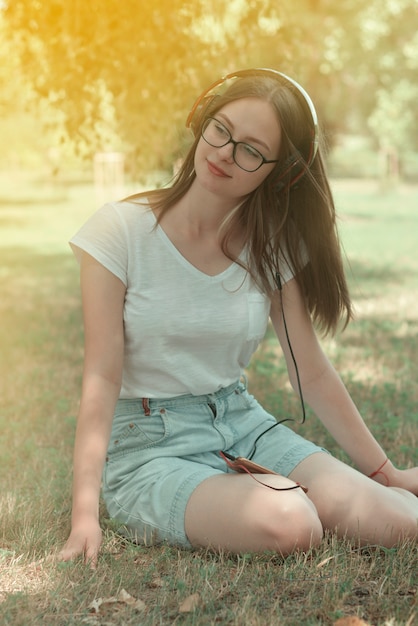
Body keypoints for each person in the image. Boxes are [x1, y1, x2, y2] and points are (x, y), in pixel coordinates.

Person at [60, 68, 418, 567]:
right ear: (201, 120)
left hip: (240, 422)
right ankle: (267, 495)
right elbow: (101, 375)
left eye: (250, 149)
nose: (225, 152)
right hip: (148, 445)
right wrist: (85, 516)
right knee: (293, 523)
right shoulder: (118, 231)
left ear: (282, 171)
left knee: (399, 524)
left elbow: (310, 372)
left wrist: (386, 472)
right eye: (221, 129)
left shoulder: (272, 246)